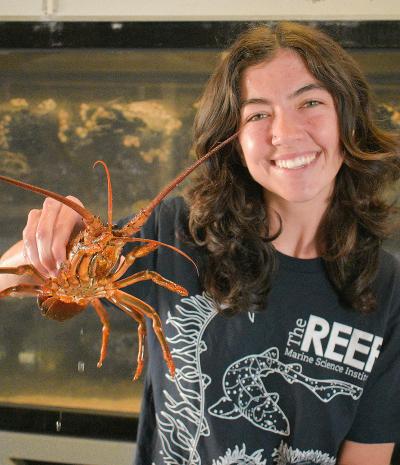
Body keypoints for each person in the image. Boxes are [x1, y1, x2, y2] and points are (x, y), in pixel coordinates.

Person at [0, 21, 399, 465]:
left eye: (310, 102)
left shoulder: (389, 287)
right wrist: (52, 241)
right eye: (258, 114)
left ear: (348, 114)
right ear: (235, 142)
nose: (285, 133)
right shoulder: (176, 233)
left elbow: (367, 454)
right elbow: (15, 274)